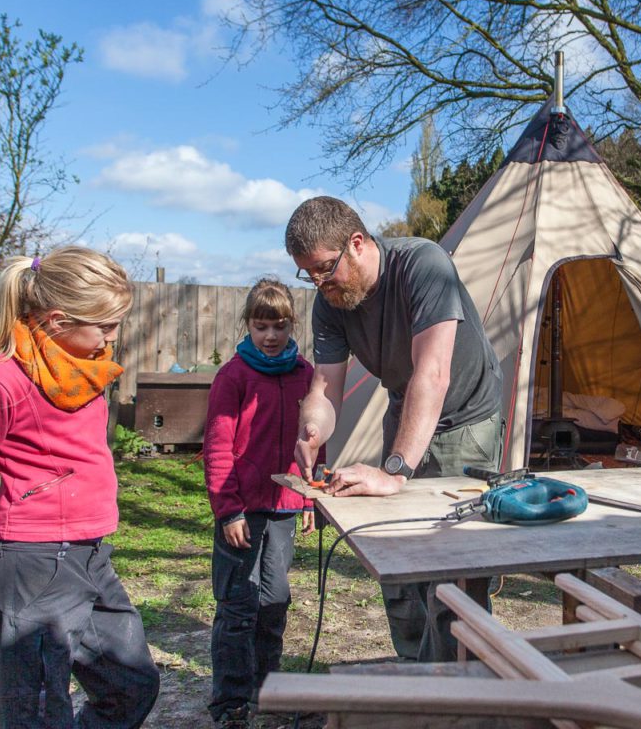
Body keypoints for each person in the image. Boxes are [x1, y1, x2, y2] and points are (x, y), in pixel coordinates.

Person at [0, 247, 160, 729]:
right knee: (36, 712)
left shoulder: (85, 374)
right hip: (31, 563)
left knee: (132, 684)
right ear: (56, 320)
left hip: (90, 555)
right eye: (106, 325)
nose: (114, 337)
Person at [285, 196, 503, 663]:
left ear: (357, 244)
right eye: (309, 275)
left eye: (325, 269)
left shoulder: (424, 265)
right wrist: (312, 429)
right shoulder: (330, 305)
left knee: (452, 564)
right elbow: (324, 388)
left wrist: (396, 470)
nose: (320, 285)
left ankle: (459, 683)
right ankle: (414, 670)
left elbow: (433, 375)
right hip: (407, 410)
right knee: (398, 554)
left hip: (465, 417)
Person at [202, 278, 317, 728]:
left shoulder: (305, 374)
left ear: (292, 325)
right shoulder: (233, 376)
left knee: (274, 601)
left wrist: (308, 497)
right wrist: (227, 508)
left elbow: (314, 440)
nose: (270, 335)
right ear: (247, 324)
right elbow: (216, 447)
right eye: (261, 325)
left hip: (286, 506)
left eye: (279, 326)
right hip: (241, 510)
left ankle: (266, 691)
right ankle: (229, 701)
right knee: (236, 605)